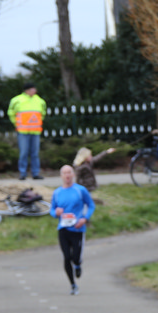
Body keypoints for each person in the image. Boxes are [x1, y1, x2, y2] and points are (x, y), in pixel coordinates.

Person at [50, 164, 95, 295]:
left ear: (73, 175)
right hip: (63, 229)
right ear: (61, 176)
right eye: (65, 173)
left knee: (75, 257)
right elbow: (52, 210)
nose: (67, 175)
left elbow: (91, 205)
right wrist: (56, 213)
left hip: (77, 229)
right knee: (66, 257)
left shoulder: (80, 190)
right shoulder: (57, 192)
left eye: (69, 172)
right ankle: (73, 284)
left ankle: (78, 264)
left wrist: (85, 219)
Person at [8, 82, 47, 180]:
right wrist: (16, 123)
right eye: (33, 89)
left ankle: (35, 173)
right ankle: (23, 173)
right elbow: (11, 113)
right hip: (23, 131)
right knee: (24, 153)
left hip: (35, 131)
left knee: (35, 154)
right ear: (27, 90)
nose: (35, 90)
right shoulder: (17, 100)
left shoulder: (40, 101)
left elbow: (42, 113)